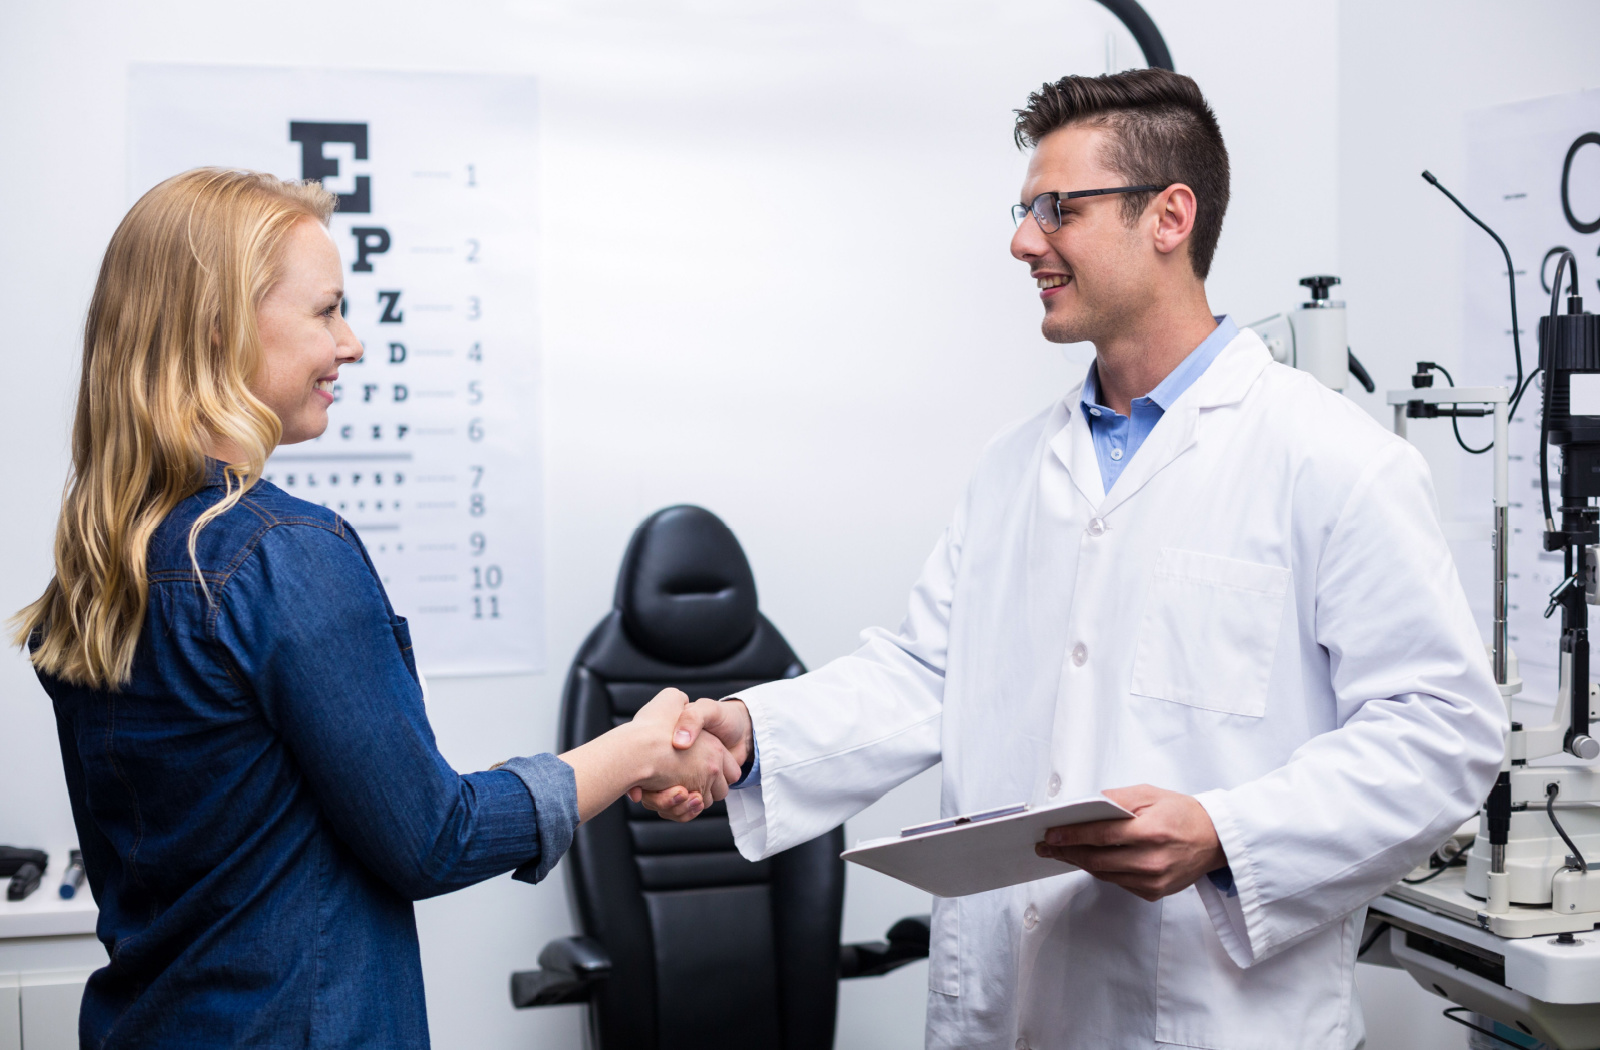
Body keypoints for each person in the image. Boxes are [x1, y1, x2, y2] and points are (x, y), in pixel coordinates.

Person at [642, 69, 1506, 1048]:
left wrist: (1225, 831)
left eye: (1058, 208)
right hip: (1015, 1007)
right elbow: (930, 671)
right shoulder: (1015, 469)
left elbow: (1441, 733)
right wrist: (752, 732)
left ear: (1168, 217)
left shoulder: (1333, 462)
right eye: (1022, 211)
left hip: (1216, 1018)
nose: (1022, 241)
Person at [12, 167, 738, 1050]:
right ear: (219, 328)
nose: (352, 344)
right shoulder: (282, 556)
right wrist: (635, 751)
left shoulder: (105, 559)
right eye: (325, 311)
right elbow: (432, 837)